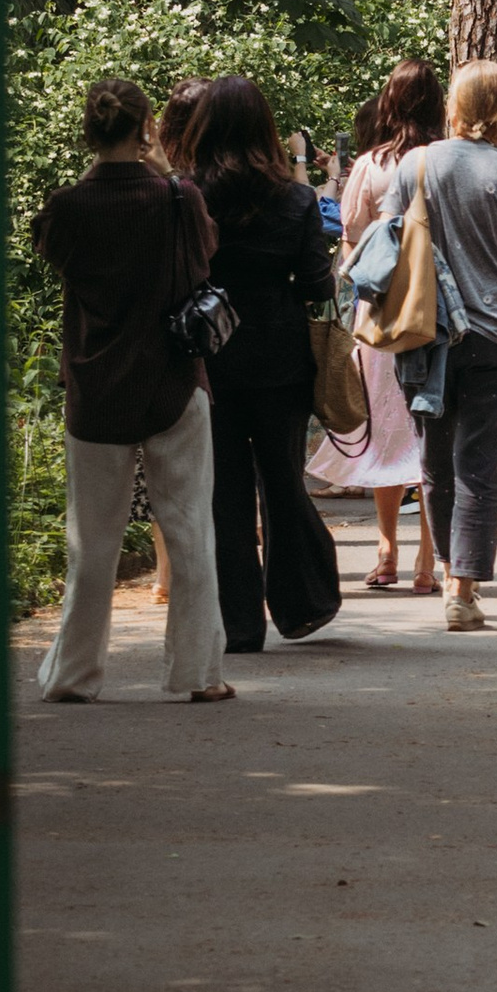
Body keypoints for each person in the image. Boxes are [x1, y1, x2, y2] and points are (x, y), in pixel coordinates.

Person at [30, 76, 233, 704]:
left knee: (92, 541)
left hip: (95, 383)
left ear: (89, 132)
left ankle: (74, 674)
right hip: (173, 379)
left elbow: (53, 255)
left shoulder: (65, 207)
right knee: (189, 530)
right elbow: (205, 259)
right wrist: (169, 172)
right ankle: (196, 674)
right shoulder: (176, 197)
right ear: (146, 128)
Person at [381, 59, 497, 630]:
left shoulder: (415, 165)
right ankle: (462, 586)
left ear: (453, 105)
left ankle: (451, 566)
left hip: (427, 337)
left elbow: (389, 244)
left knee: (434, 461)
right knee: (481, 464)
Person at [185, 72, 344, 650]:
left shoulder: (187, 194)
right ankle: (301, 603)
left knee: (223, 491)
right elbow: (315, 280)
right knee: (282, 480)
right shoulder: (296, 198)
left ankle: (239, 624)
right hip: (281, 359)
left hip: (211, 357)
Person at [313, 57, 441, 592]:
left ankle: (386, 549)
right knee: (430, 432)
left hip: (381, 314)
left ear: (389, 102)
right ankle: (428, 560)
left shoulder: (369, 165)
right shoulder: (445, 160)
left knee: (384, 431)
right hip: (437, 309)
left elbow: (349, 240)